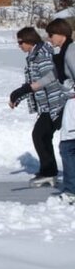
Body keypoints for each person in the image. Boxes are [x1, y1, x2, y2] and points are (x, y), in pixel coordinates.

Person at [9, 26, 65, 187]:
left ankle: (49, 172)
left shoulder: (42, 55)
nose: (19, 46)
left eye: (20, 42)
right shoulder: (34, 55)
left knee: (40, 135)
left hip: (54, 103)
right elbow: (33, 84)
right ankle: (49, 172)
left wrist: (23, 91)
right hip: (47, 105)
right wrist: (19, 95)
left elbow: (50, 78)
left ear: (29, 40)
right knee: (42, 136)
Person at [45, 18, 75, 203]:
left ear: (61, 35)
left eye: (51, 35)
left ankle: (71, 192)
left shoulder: (71, 52)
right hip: (70, 105)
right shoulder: (64, 52)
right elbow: (52, 77)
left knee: (67, 148)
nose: (49, 39)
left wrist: (69, 87)